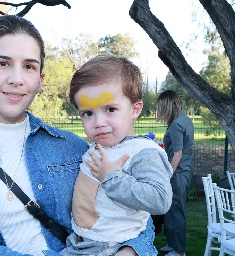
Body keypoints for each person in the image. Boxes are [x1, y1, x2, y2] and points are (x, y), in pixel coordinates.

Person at [0, 15, 157, 256]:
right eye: (2, 63)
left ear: (40, 80)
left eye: (29, 66)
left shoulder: (74, 148)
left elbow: (134, 219)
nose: (16, 79)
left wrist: (130, 250)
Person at [60, 55, 173, 256]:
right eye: (88, 113)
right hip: (79, 244)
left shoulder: (142, 151)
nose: (98, 122)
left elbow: (160, 200)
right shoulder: (97, 147)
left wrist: (112, 178)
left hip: (112, 247)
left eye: (110, 109)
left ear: (135, 109)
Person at [156, 90, 194, 256]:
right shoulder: (184, 119)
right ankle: (172, 244)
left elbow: (177, 154)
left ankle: (179, 250)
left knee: (176, 210)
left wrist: (167, 176)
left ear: (167, 105)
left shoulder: (177, 124)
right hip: (184, 169)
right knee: (170, 209)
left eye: (160, 107)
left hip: (177, 172)